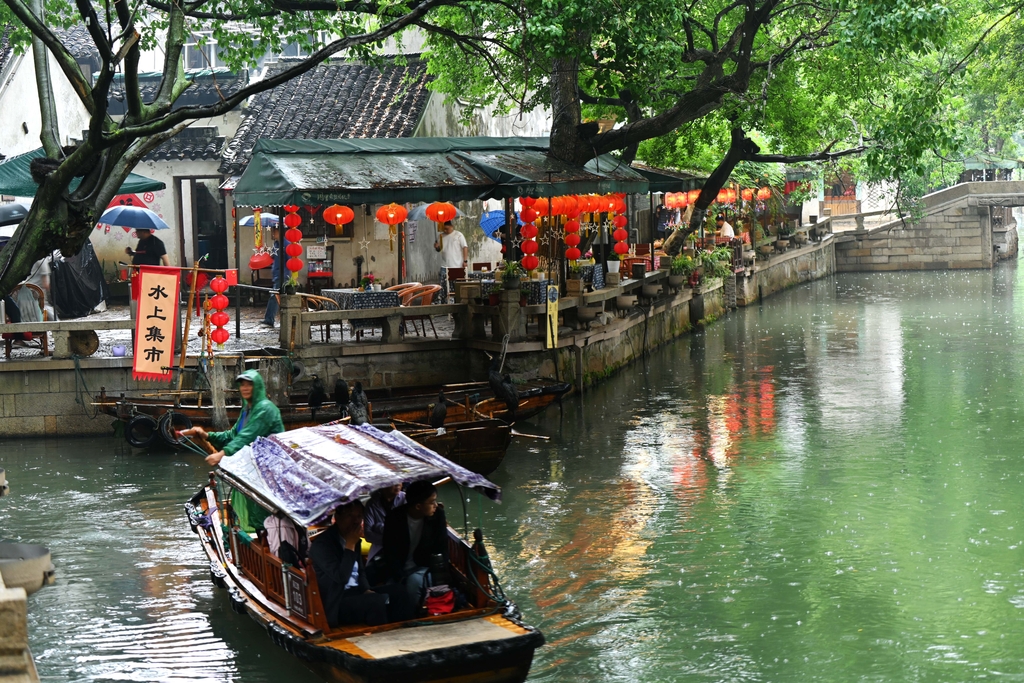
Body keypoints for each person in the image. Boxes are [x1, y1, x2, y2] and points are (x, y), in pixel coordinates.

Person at [309, 501, 411, 627]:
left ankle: (403, 630)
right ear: (338, 517)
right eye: (350, 516)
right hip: (337, 600)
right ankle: (382, 635)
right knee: (375, 601)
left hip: (356, 592)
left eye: (359, 516)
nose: (356, 521)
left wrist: (366, 589)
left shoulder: (354, 539)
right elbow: (341, 577)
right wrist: (350, 546)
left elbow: (360, 571)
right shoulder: (322, 544)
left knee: (399, 591)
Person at [181, 369, 284, 467]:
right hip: (254, 463)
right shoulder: (247, 409)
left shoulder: (266, 408)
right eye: (242, 385)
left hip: (274, 465)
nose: (245, 388)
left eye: (249, 384)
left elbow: (247, 437)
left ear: (257, 387)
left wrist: (221, 454)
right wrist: (207, 435)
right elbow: (232, 435)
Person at [382, 480, 449, 609]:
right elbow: (389, 551)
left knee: (413, 583)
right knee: (390, 591)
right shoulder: (394, 518)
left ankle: (414, 614)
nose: (436, 505)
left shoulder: (437, 516)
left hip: (424, 566)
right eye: (432, 502)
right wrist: (399, 575)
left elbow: (442, 547)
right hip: (399, 567)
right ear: (418, 506)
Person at [364, 484, 405, 562]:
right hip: (379, 552)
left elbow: (404, 531)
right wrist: (390, 541)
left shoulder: (405, 499)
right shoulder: (372, 504)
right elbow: (368, 535)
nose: (398, 484)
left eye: (400, 480)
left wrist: (378, 527)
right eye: (393, 481)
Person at [262, 226, 283, 328]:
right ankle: (269, 319)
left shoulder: (285, 244)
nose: (273, 234)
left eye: (274, 232)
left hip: (282, 274)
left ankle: (269, 319)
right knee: (275, 297)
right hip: (276, 273)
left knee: (275, 297)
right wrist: (267, 251)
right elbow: (273, 256)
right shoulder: (276, 244)